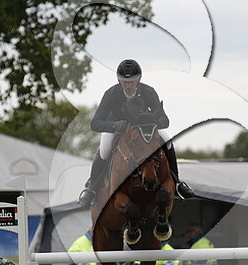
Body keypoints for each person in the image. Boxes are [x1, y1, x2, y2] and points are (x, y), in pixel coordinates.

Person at [78, 58, 194, 207]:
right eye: (124, 82)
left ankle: (177, 183)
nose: (128, 86)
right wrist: (115, 125)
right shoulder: (111, 94)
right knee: (105, 150)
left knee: (168, 141)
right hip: (117, 129)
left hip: (143, 130)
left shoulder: (149, 92)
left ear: (138, 80)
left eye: (131, 82)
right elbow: (95, 123)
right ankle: (91, 188)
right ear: (119, 80)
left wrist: (149, 121)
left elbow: (164, 120)